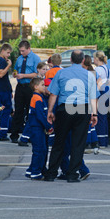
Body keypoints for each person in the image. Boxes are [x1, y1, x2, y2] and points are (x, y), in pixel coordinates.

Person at [45, 50, 98, 182]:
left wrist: (50, 111)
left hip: (65, 108)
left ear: (71, 60)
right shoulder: (89, 75)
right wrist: (94, 113)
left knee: (59, 141)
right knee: (78, 143)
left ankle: (51, 173)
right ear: (82, 61)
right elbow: (93, 97)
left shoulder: (61, 73)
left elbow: (53, 94)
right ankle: (73, 174)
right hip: (82, 108)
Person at [10, 40, 41, 143]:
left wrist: (23, 75)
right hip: (20, 86)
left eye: (23, 51)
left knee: (29, 110)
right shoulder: (19, 59)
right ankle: (14, 134)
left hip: (30, 86)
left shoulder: (35, 58)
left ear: (28, 49)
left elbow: (36, 73)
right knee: (18, 110)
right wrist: (15, 74)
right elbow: (16, 69)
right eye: (20, 51)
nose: (21, 53)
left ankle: (29, 135)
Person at [26, 77, 53, 180]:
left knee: (40, 150)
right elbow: (40, 115)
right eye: (42, 85)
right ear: (36, 87)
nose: (44, 87)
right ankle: (36, 172)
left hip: (37, 127)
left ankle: (31, 170)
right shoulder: (37, 98)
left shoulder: (39, 97)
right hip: (37, 128)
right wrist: (48, 126)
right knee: (39, 150)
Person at [18, 61, 50, 147]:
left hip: (40, 101)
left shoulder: (44, 78)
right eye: (43, 69)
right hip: (35, 102)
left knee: (32, 121)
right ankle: (23, 139)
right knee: (32, 121)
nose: (45, 71)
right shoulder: (36, 79)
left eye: (47, 69)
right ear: (38, 69)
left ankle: (25, 138)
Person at [0, 43, 13, 142]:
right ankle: (3, 134)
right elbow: (1, 74)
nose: (8, 55)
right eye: (8, 53)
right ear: (3, 51)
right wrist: (9, 65)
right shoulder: (2, 61)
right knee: (5, 111)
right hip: (3, 91)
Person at [94, 50, 110, 148]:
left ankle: (100, 141)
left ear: (97, 59)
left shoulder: (97, 70)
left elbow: (96, 82)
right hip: (107, 91)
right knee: (104, 117)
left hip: (100, 92)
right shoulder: (107, 68)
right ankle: (104, 139)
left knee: (99, 117)